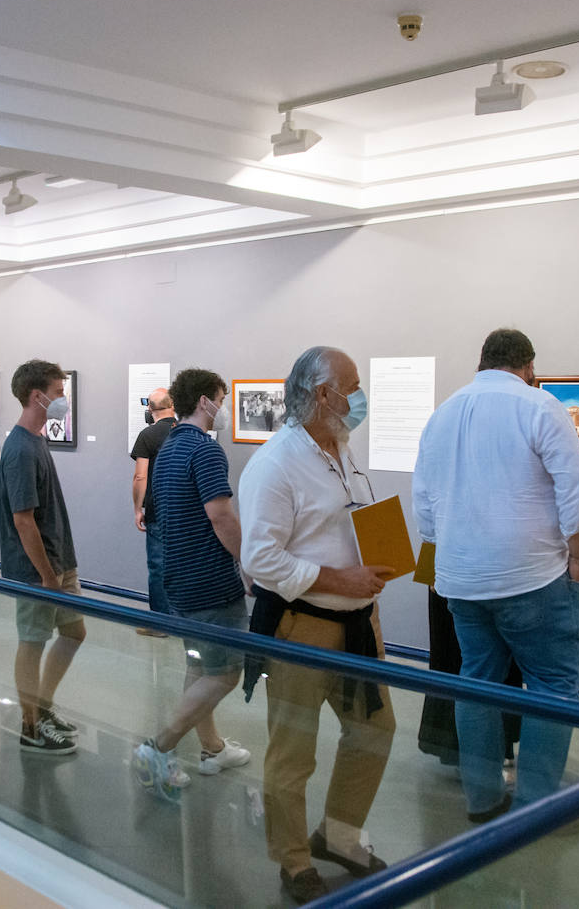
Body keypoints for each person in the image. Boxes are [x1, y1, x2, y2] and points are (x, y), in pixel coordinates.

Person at [412, 328, 579, 826]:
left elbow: (425, 503)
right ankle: (535, 809)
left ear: (483, 361)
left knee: (477, 683)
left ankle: (482, 799)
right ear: (529, 365)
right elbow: (577, 494)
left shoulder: (443, 414)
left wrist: (440, 562)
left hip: (461, 580)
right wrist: (578, 562)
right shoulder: (539, 407)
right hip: (534, 576)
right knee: (552, 686)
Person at [240, 346, 395, 903]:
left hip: (356, 626)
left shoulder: (345, 451)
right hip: (301, 627)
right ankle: (293, 859)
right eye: (352, 386)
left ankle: (339, 836)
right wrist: (339, 580)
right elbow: (259, 560)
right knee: (294, 752)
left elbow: (353, 524)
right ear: (322, 394)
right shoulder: (276, 463)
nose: (360, 397)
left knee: (375, 732)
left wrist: (374, 587)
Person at [131, 369, 251, 799]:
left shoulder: (168, 448)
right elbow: (221, 516)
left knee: (200, 666)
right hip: (210, 581)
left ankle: (211, 748)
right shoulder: (205, 451)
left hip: (178, 579)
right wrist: (248, 565)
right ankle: (157, 748)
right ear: (205, 401)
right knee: (226, 672)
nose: (223, 408)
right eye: (222, 398)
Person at [0, 360, 84, 755]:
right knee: (32, 641)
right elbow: (22, 520)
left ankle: (43, 707)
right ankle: (30, 725)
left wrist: (60, 567)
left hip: (59, 563)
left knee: (73, 632)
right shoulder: (18, 449)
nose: (64, 399)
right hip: (39, 571)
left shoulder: (37, 441)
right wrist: (47, 574)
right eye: (60, 392)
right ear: (38, 396)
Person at [130, 386, 176, 629]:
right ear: (173, 407)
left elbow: (140, 477)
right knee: (182, 563)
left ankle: (160, 623)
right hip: (184, 511)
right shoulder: (183, 431)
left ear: (150, 409)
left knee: (158, 566)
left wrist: (138, 508)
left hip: (158, 511)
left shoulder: (147, 435)